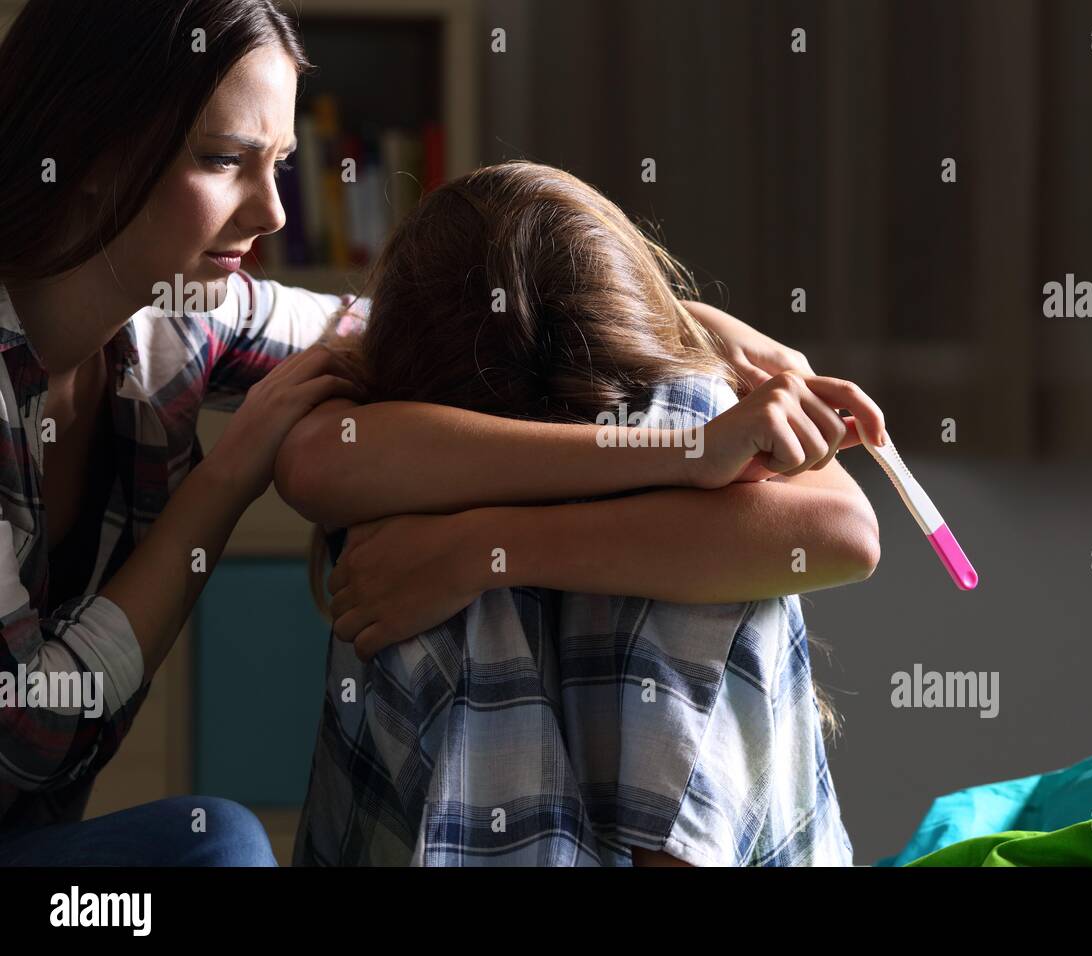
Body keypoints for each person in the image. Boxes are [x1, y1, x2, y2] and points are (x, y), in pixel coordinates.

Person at [0, 0, 878, 865]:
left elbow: (434, 323)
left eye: (277, 164)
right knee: (220, 845)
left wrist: (691, 326)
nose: (271, 212)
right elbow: (29, 731)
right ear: (91, 147)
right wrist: (228, 477)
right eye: (224, 161)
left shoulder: (180, 319)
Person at [285, 162, 882, 865]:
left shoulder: (386, 461)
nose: (267, 211)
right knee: (690, 440)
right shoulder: (685, 412)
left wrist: (482, 546)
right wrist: (689, 444)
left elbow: (846, 537)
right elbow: (312, 465)